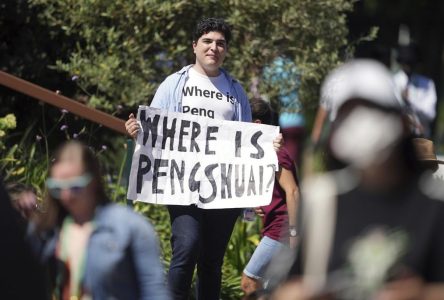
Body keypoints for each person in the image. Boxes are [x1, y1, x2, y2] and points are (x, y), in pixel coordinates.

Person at [125, 17, 282, 299]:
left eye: (220, 43)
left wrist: (268, 149)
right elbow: (156, 131)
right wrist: (138, 132)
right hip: (182, 185)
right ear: (195, 45)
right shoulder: (173, 85)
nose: (214, 48)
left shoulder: (236, 92)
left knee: (211, 261)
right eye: (208, 41)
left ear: (226, 50)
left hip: (222, 189)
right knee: (187, 246)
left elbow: (246, 144)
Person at [288, 59, 444, 300]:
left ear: (402, 121)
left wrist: (422, 294)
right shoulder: (321, 200)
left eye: (370, 109)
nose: (359, 123)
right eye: (347, 114)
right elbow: (289, 286)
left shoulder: (434, 205)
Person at [28, 141, 170, 300]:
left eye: (75, 187)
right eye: (57, 188)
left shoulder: (130, 226)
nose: (66, 196)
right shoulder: (46, 230)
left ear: (93, 181)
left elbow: (154, 290)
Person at [241, 98, 300, 295]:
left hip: (280, 230)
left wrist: (293, 233)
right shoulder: (264, 153)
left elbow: (292, 191)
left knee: (249, 281)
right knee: (270, 290)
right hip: (273, 228)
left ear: (256, 124)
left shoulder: (276, 154)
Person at [393, 43, 437, 138]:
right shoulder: (392, 82)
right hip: (398, 138)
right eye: (405, 62)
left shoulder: (427, 84)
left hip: (420, 137)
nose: (408, 66)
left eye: (411, 63)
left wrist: (411, 101)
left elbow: (430, 114)